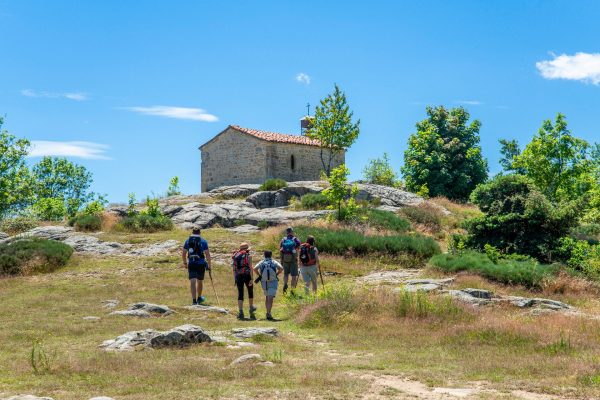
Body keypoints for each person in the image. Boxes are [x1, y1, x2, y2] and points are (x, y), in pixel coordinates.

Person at [182, 227, 211, 305]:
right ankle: (199, 298)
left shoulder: (188, 241)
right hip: (201, 263)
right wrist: (209, 265)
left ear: (192, 232)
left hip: (191, 263)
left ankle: (194, 300)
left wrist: (185, 263)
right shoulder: (203, 241)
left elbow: (184, 253)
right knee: (200, 281)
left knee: (192, 282)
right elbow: (207, 254)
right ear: (199, 233)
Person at [253, 250, 283, 321]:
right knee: (270, 298)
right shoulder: (273, 261)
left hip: (264, 282)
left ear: (264, 255)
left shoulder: (262, 262)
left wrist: (259, 275)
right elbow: (281, 268)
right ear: (271, 255)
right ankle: (268, 313)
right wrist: (277, 274)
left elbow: (254, 268)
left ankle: (268, 312)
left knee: (267, 297)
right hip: (273, 281)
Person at [231, 242, 257, 320]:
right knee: (250, 292)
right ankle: (251, 310)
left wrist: (235, 278)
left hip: (238, 276)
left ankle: (241, 312)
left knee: (240, 293)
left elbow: (234, 269)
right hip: (247, 275)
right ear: (247, 249)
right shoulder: (248, 256)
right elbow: (251, 267)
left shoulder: (235, 256)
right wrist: (252, 279)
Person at [279, 227, 301, 294]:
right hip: (293, 260)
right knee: (294, 276)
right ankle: (292, 290)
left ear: (287, 232)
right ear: (291, 232)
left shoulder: (283, 239)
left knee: (286, 274)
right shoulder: (295, 239)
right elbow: (298, 248)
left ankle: (285, 285)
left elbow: (280, 249)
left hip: (285, 259)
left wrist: (282, 260)